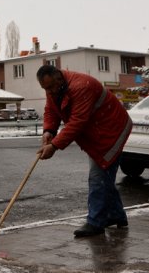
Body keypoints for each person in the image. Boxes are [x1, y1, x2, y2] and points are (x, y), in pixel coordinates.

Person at [36, 65, 133, 237]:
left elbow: (77, 121)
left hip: (112, 130)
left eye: (51, 87)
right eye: (45, 89)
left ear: (59, 77)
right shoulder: (54, 88)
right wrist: (49, 131)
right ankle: (116, 216)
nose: (49, 92)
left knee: (98, 177)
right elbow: (51, 110)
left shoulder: (82, 86)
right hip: (97, 132)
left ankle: (96, 223)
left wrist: (55, 146)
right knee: (104, 177)